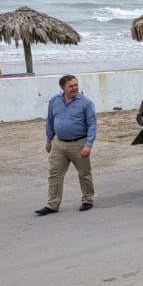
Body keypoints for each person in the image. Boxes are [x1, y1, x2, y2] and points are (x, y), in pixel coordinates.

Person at [36, 74, 97, 215]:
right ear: (63, 87)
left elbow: (92, 125)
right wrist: (48, 140)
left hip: (79, 144)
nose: (75, 88)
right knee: (54, 174)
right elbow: (50, 121)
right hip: (59, 144)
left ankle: (87, 199)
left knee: (84, 174)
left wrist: (88, 145)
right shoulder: (54, 101)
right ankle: (52, 204)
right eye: (71, 86)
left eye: (76, 85)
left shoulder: (86, 103)